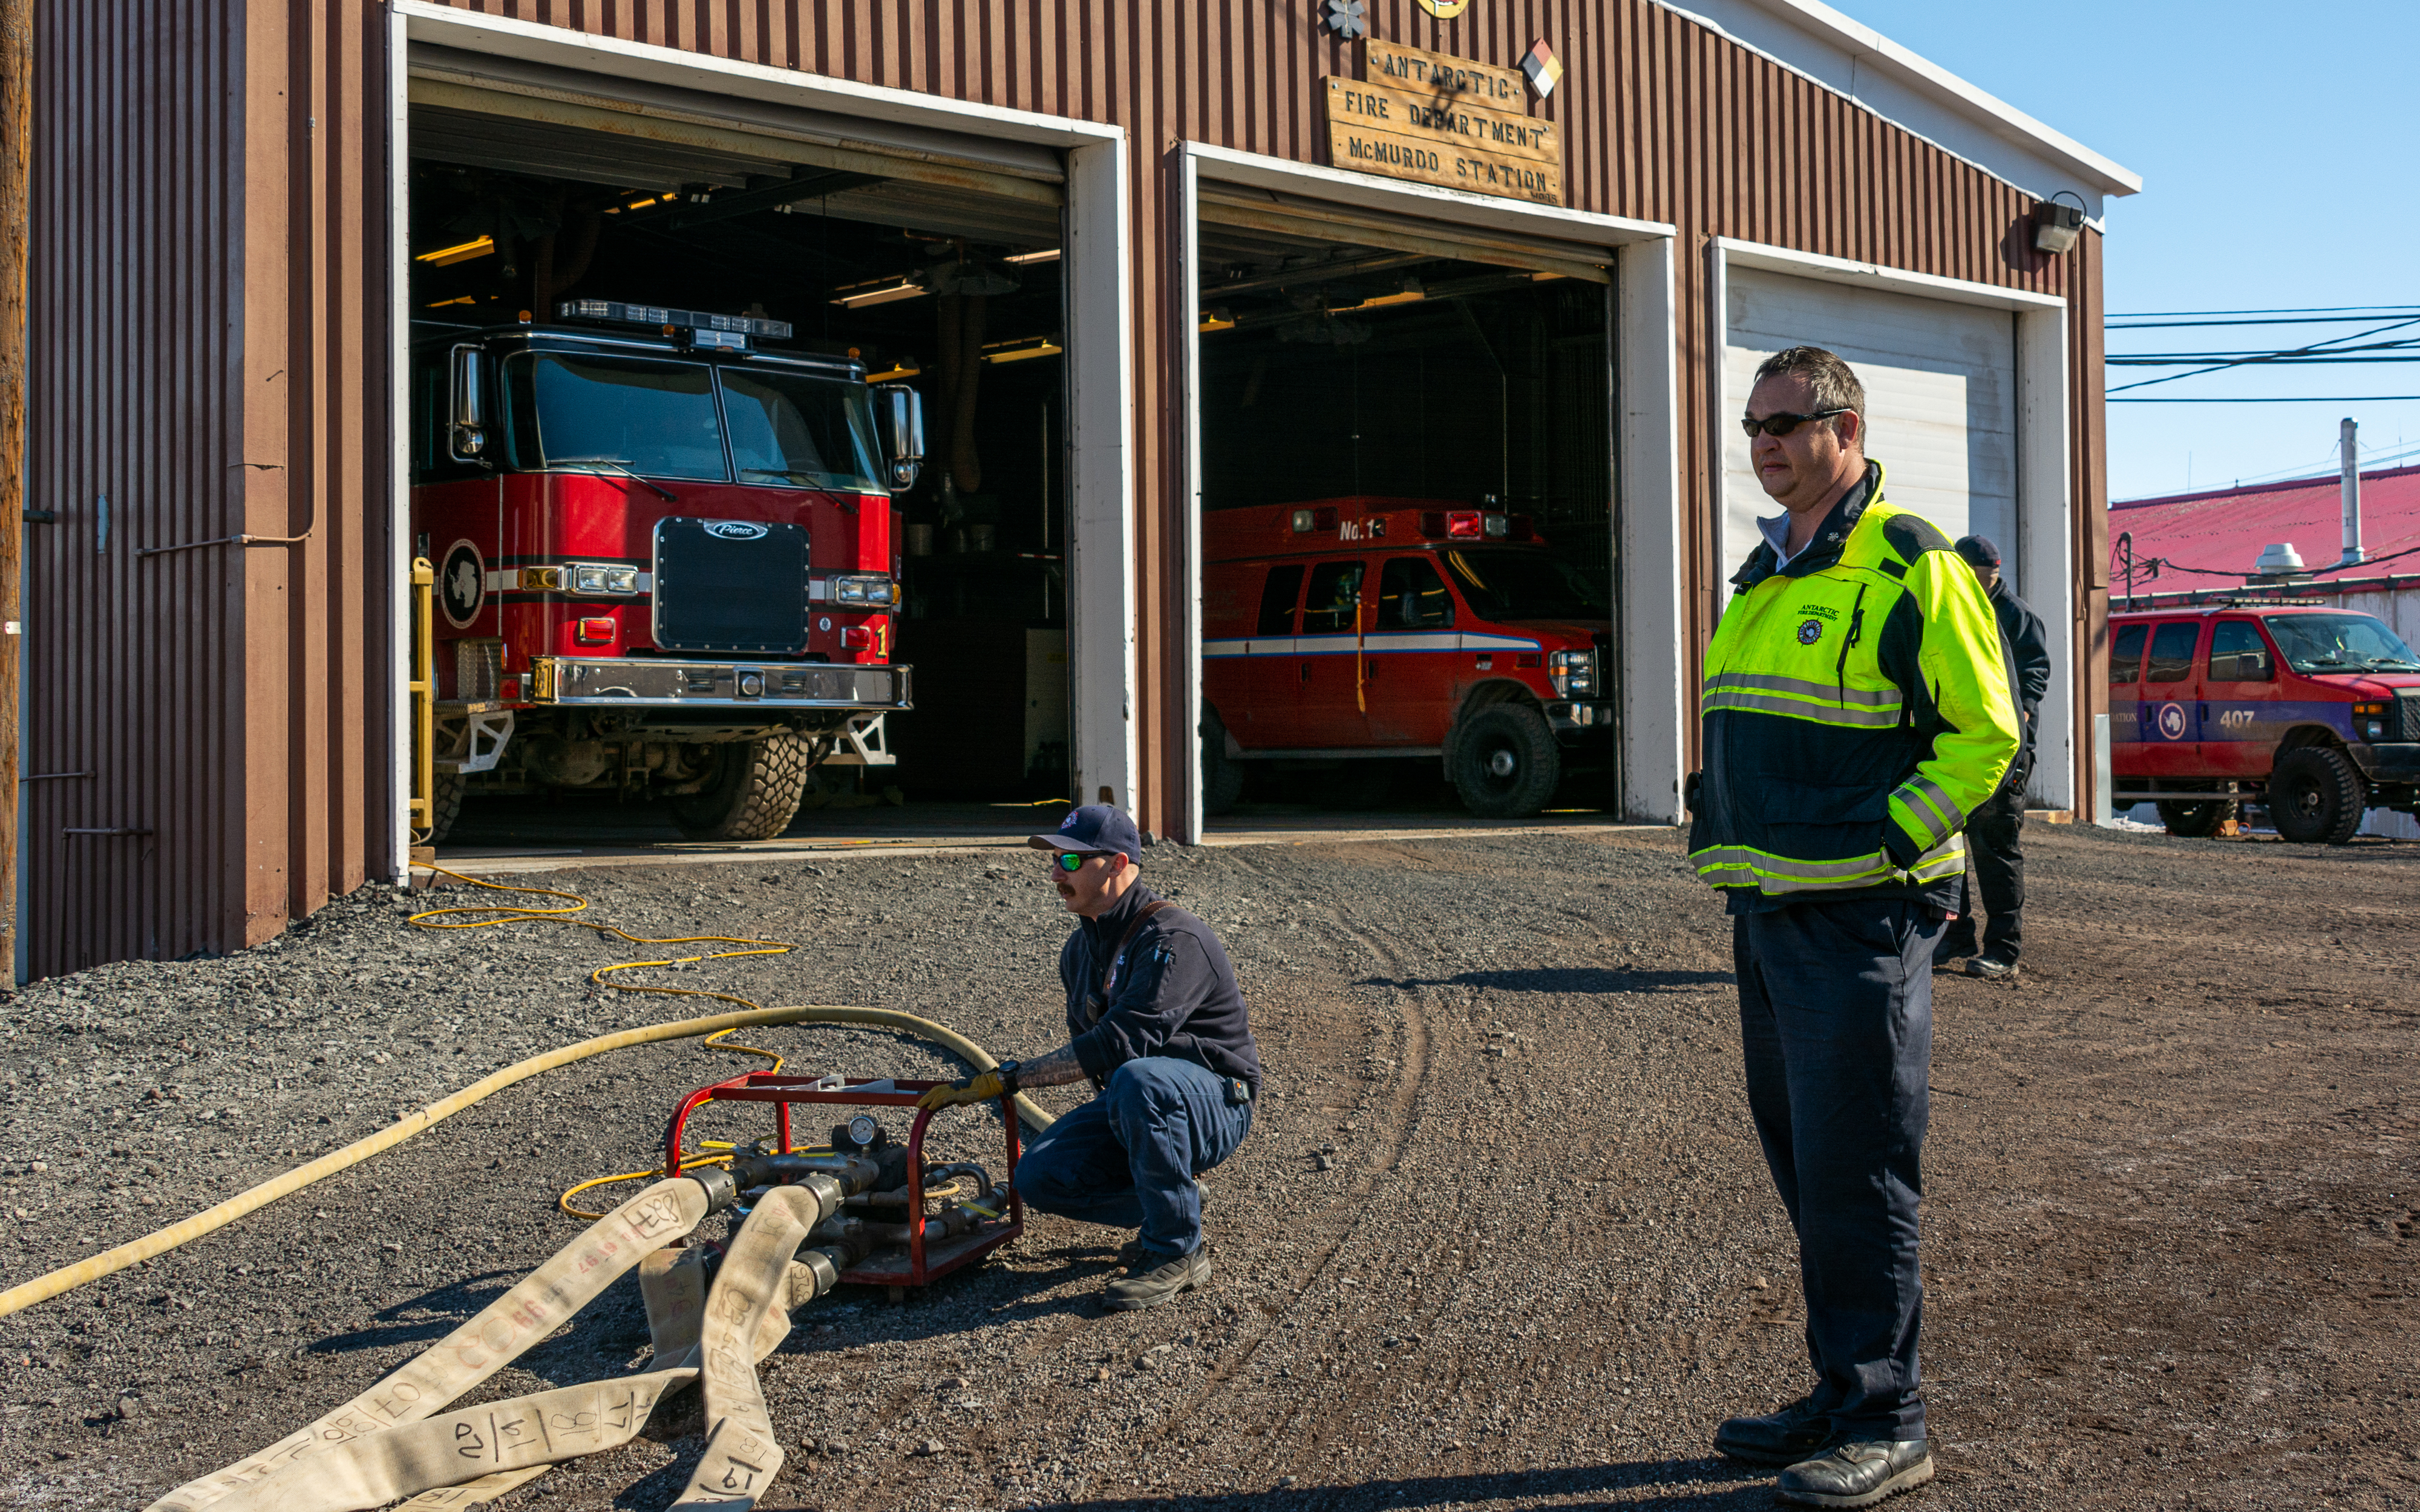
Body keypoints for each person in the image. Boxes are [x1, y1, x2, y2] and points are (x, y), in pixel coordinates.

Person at [1686, 347, 2019, 1507]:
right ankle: (1841, 1394)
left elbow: (1987, 735)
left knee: (1862, 1169)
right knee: (1811, 1167)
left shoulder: (1910, 564)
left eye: (1787, 422)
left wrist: (1892, 844)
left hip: (1860, 921)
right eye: (1754, 425)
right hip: (1772, 912)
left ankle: (1891, 1418)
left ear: (1849, 425)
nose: (1766, 442)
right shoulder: (1766, 572)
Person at [917, 804, 1260, 1311]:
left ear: (1118, 864)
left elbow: (1118, 1045)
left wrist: (1009, 1079)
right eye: (1055, 860)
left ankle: (1177, 1250)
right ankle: (1176, 1203)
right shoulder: (1080, 953)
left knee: (1140, 1079)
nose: (1057, 872)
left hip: (1215, 1103)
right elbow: (1100, 1064)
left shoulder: (1173, 939)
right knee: (1039, 1176)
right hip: (1141, 1100)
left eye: (1073, 861)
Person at [1935, 535, 2050, 980]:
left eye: (1992, 578)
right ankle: (1954, 936)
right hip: (1955, 747)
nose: (1987, 585)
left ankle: (2003, 950)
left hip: (2004, 755)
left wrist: (2015, 723)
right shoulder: (1951, 608)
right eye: (1980, 578)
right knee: (1946, 849)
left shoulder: (2017, 616)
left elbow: (2035, 676)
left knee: (1995, 849)